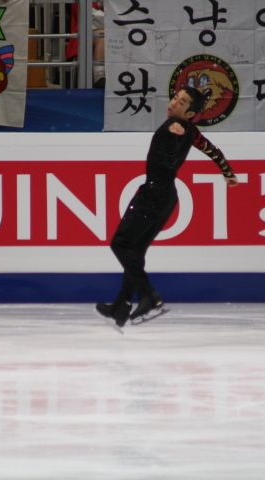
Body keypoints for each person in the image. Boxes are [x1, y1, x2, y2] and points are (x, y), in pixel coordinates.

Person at [96, 87, 239, 329]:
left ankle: (149, 296)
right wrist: (227, 172)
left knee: (120, 244)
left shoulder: (177, 127)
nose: (174, 103)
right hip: (166, 196)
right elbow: (212, 150)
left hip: (154, 194)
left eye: (181, 102)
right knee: (136, 250)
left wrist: (174, 138)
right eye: (175, 97)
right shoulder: (191, 131)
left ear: (190, 113)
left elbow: (171, 153)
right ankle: (122, 305)